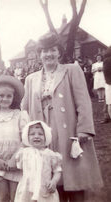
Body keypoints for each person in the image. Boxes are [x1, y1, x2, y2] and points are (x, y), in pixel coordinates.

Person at [21, 33, 103, 202]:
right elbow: (25, 108)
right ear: (39, 54)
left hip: (68, 131)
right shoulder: (31, 79)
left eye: (52, 50)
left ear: (59, 52)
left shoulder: (71, 70)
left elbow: (83, 101)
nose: (48, 54)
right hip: (43, 133)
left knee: (72, 177)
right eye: (44, 51)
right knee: (48, 175)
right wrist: (27, 135)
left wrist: (84, 129)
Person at [0, 75, 29, 201]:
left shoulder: (20, 116)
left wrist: (14, 158)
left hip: (15, 162)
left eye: (9, 96)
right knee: (4, 197)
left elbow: (24, 139)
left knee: (16, 196)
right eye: (1, 95)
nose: (5, 99)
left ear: (14, 98)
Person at [15, 121, 62, 202]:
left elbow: (57, 171)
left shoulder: (50, 154)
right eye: (32, 134)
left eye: (40, 134)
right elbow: (20, 167)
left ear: (46, 136)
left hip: (44, 187)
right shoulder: (24, 153)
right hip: (27, 188)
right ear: (27, 137)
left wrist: (54, 181)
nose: (36, 136)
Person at [101, 46, 111, 124]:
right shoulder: (108, 60)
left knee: (108, 102)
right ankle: (107, 117)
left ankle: (107, 117)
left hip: (108, 82)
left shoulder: (106, 60)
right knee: (109, 102)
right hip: (109, 82)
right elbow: (107, 72)